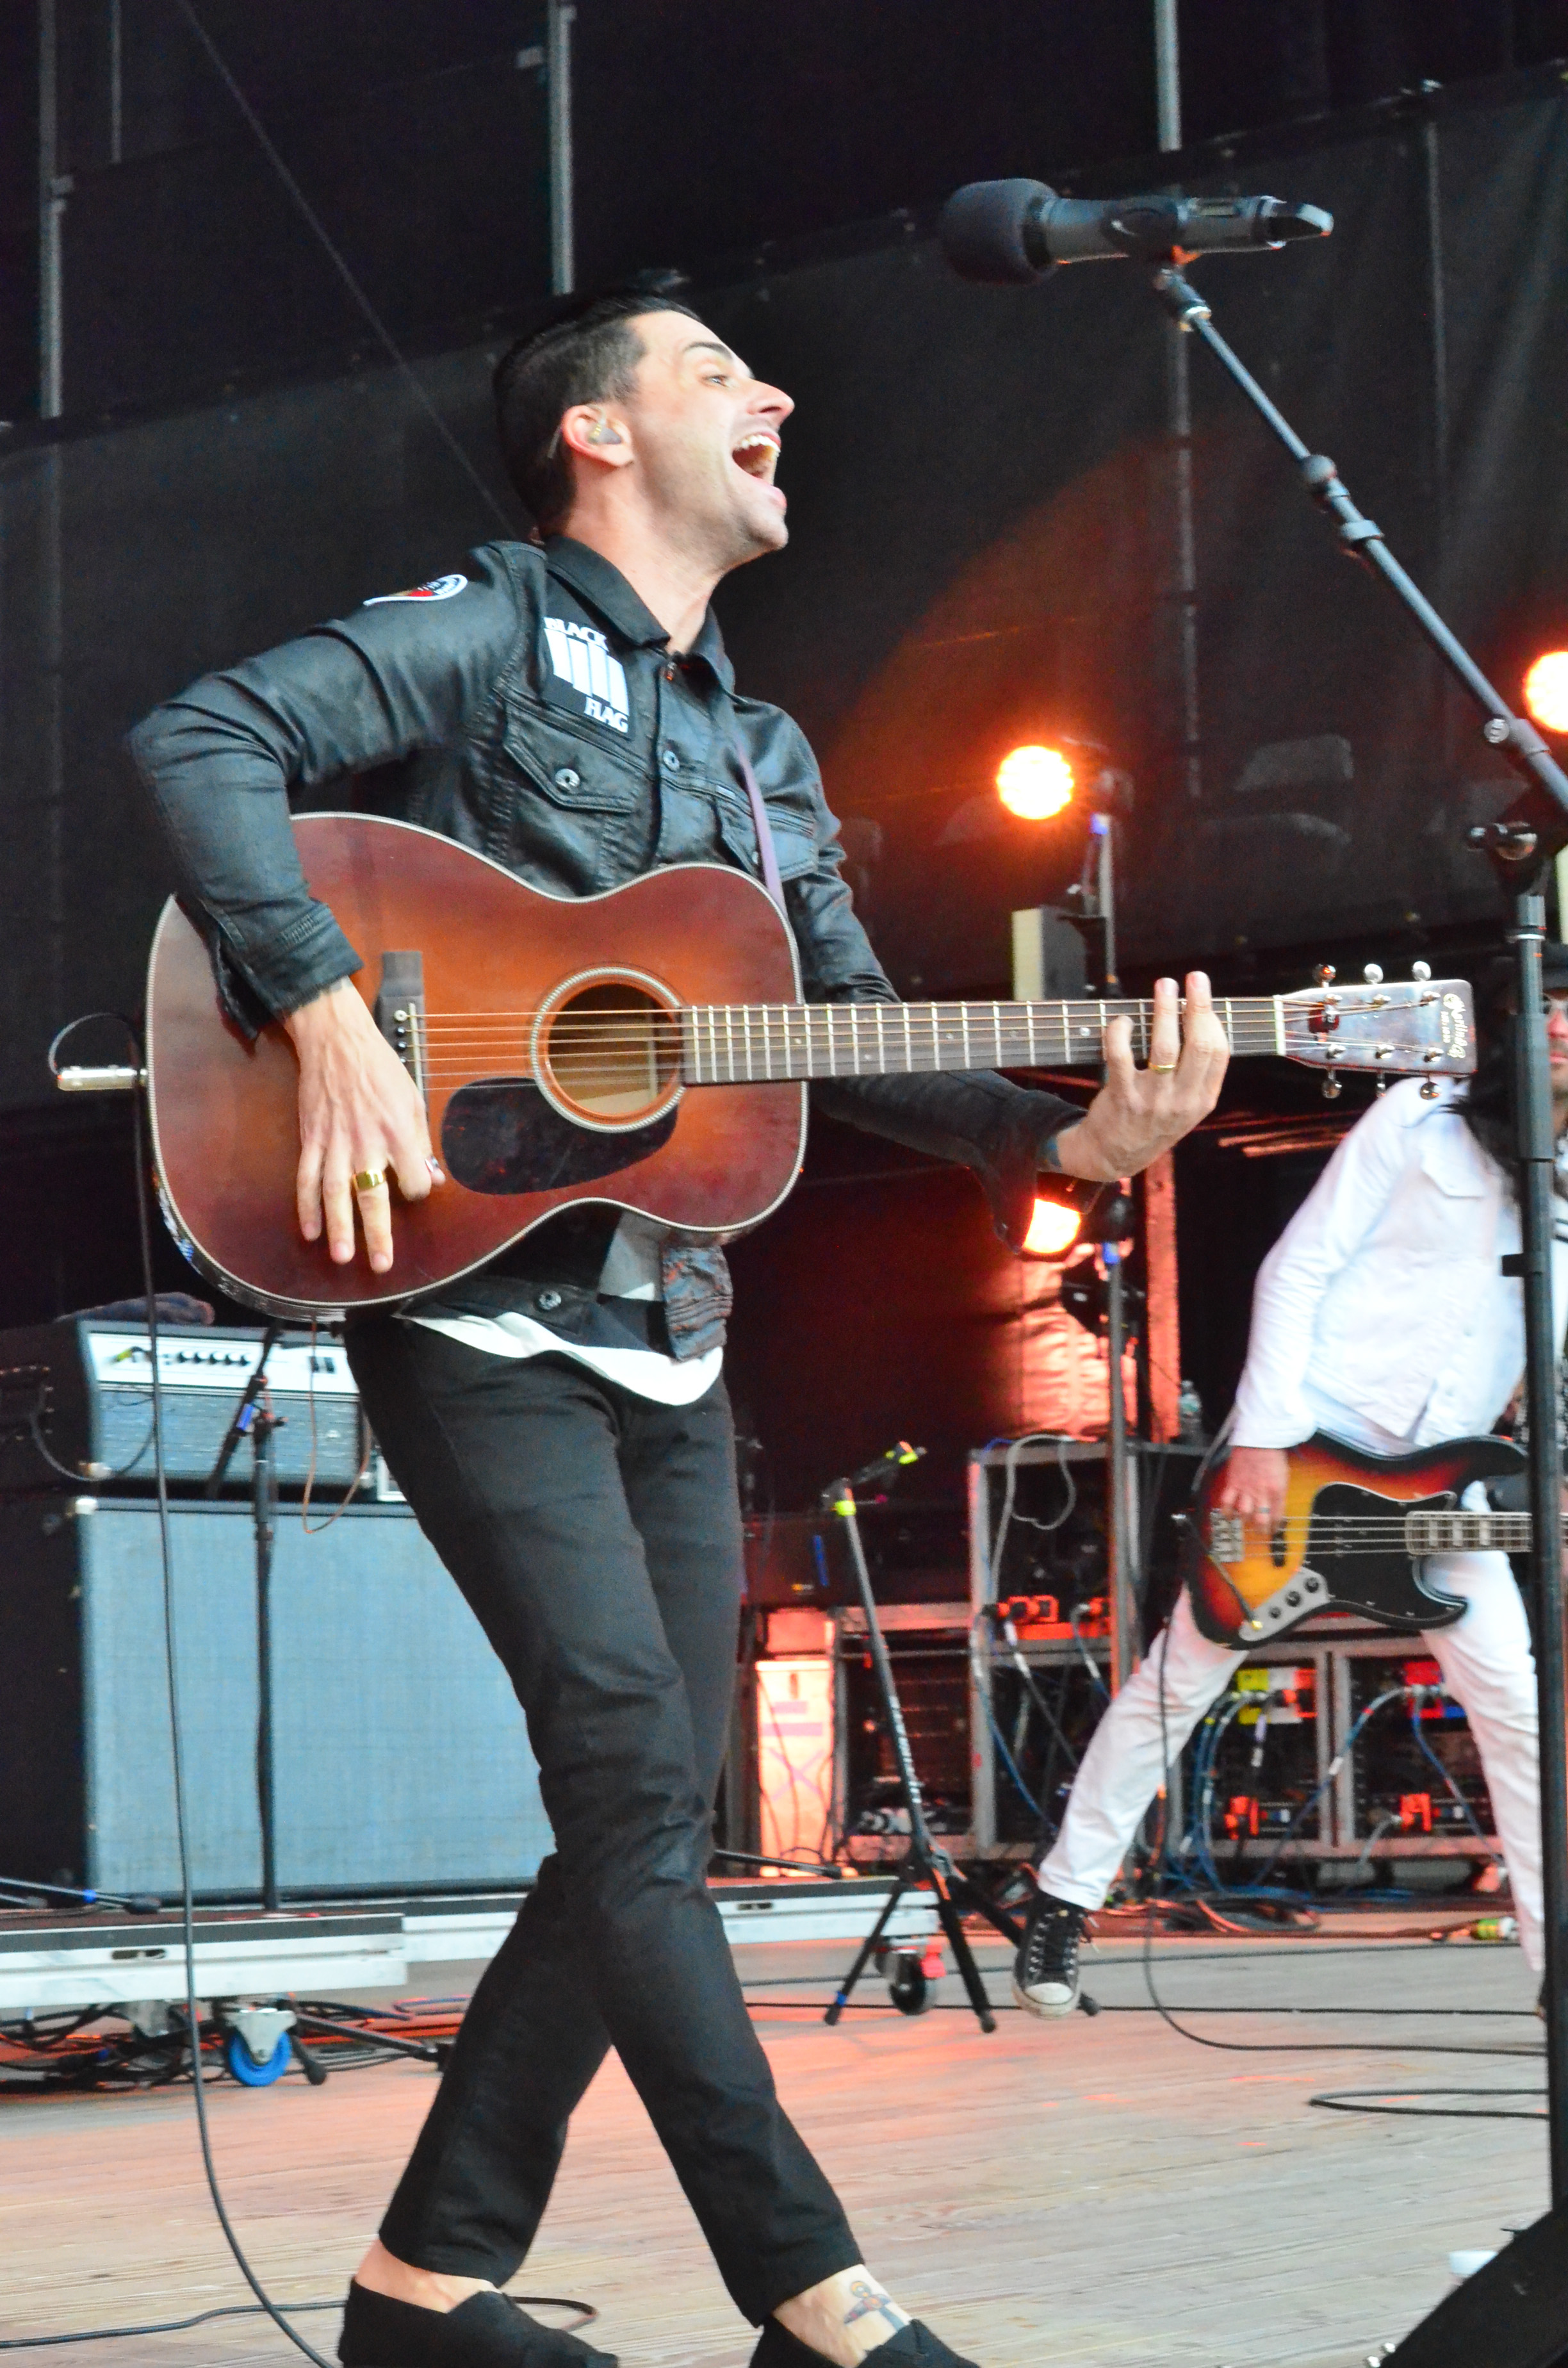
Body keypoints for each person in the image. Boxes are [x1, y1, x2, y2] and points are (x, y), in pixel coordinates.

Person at [130, 292, 1229, 2368]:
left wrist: (1070, 1136)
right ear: (597, 434)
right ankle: (813, 2290)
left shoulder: (756, 748)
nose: (777, 394)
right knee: (631, 1760)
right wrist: (312, 1012)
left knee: (644, 1802)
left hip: (666, 1312)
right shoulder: (481, 622)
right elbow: (200, 740)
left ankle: (424, 2284)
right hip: (464, 1282)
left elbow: (834, 1028)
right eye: (722, 371)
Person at [1011, 980, 1568, 2021]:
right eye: (1552, 1001)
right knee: (1183, 1679)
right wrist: (1263, 1439)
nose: (1565, 1023)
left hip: (1443, 1481)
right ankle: (1063, 1898)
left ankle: (1556, 1979)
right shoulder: (1422, 1109)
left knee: (1520, 1714)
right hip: (1310, 1442)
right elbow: (1298, 1265)